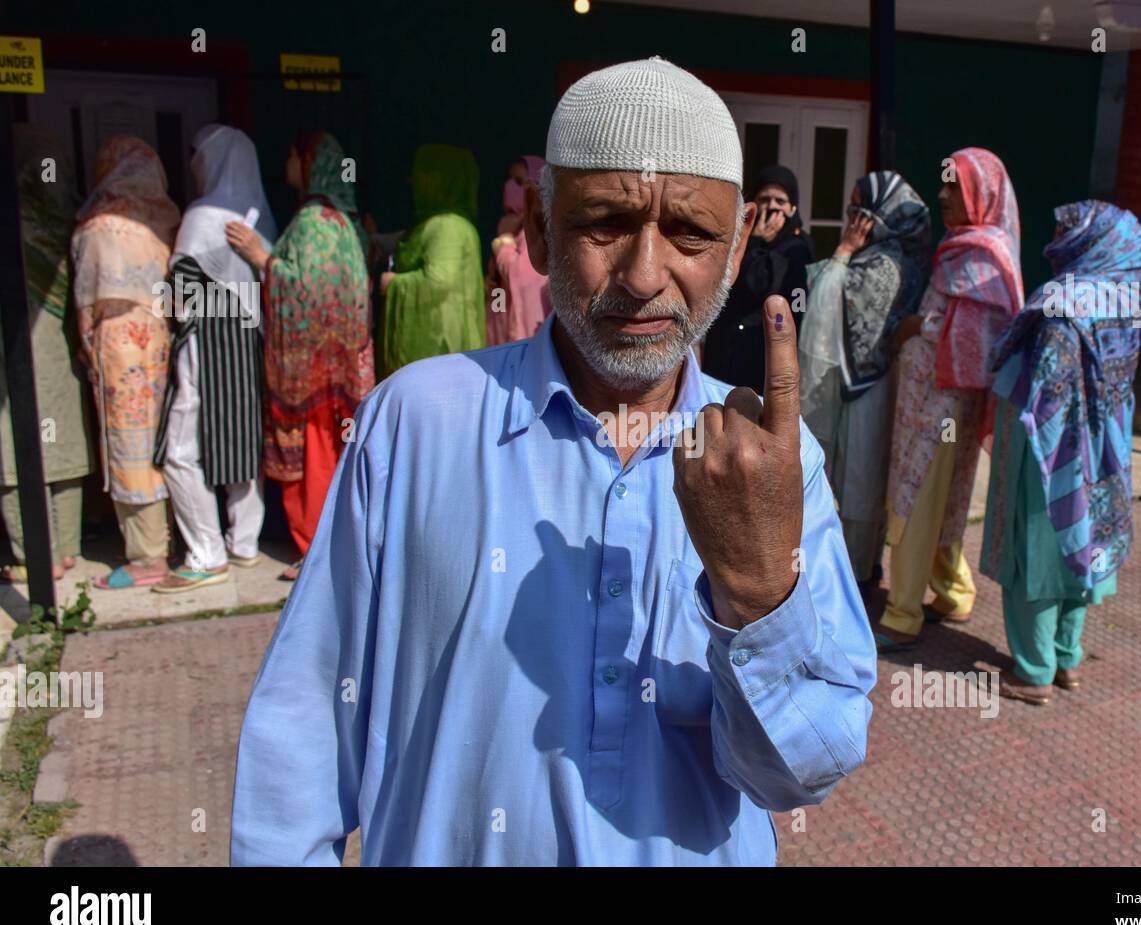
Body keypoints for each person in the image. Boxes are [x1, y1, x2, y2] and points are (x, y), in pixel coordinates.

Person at [231, 57, 874, 866]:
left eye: (691, 234)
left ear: (739, 245)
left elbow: (802, 772)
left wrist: (755, 597)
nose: (645, 276)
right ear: (538, 230)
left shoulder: (775, 464)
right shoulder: (414, 426)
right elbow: (303, 735)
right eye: (604, 223)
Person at [981, 201, 1141, 704]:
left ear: (1090, 239)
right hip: (1106, 448)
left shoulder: (1064, 299)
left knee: (1038, 549)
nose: (1054, 237)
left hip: (1048, 449)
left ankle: (1034, 672)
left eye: (1065, 229)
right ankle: (1066, 660)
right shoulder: (1125, 299)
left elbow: (1048, 385)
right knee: (1085, 543)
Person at [878, 147, 1024, 648]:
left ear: (980, 195)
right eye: (942, 185)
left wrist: (918, 325)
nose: (941, 195)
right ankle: (952, 591)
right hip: (928, 399)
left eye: (952, 187)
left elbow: (984, 339)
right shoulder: (961, 245)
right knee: (941, 498)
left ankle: (902, 615)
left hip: (946, 405)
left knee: (921, 500)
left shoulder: (986, 257)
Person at [226, 131, 375, 582]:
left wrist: (262, 259)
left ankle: (316, 550)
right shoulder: (343, 221)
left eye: (294, 152)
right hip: (340, 373)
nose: (288, 159)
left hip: (309, 375)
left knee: (313, 461)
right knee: (333, 456)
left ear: (310, 164)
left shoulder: (312, 221)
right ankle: (333, 547)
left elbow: (303, 288)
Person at [151, 124, 276, 593]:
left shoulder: (202, 215)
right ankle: (244, 543)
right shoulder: (262, 216)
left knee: (182, 447)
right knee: (242, 437)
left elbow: (182, 297)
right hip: (250, 339)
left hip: (207, 339)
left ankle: (206, 554)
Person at [799, 171, 931, 589]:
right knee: (864, 478)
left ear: (880, 213)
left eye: (860, 210)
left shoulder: (884, 263)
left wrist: (842, 251)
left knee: (860, 478)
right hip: (881, 382)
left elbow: (824, 300)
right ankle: (863, 567)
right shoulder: (898, 255)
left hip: (870, 387)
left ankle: (852, 576)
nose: (853, 218)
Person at [70, 135, 180, 590]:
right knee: (163, 440)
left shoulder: (100, 222)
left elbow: (86, 302)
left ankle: (147, 555)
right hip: (161, 339)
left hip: (120, 345)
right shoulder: (167, 217)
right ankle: (173, 536)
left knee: (130, 445)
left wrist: (85, 345)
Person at [1, 126, 97, 583]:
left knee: (17, 444)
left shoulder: (12, 220)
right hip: (63, 348)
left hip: (19, 352)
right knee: (61, 441)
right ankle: (67, 549)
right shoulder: (73, 220)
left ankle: (35, 556)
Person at [703, 164, 814, 394]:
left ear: (793, 208)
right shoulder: (735, 239)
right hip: (724, 349)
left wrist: (755, 243)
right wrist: (751, 240)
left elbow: (765, 288)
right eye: (764, 199)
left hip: (761, 353)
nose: (771, 207)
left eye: (780, 202)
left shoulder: (798, 249)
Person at [377, 144, 485, 375]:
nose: (412, 181)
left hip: (440, 351)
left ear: (441, 180)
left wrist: (393, 283)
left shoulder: (447, 226)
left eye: (423, 174)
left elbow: (438, 282)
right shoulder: (441, 224)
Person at [486, 155, 551, 345]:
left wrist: (503, 248)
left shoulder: (537, 231)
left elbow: (520, 276)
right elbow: (499, 290)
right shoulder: (510, 227)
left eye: (518, 182)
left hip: (526, 336)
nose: (510, 188)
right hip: (502, 333)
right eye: (508, 180)